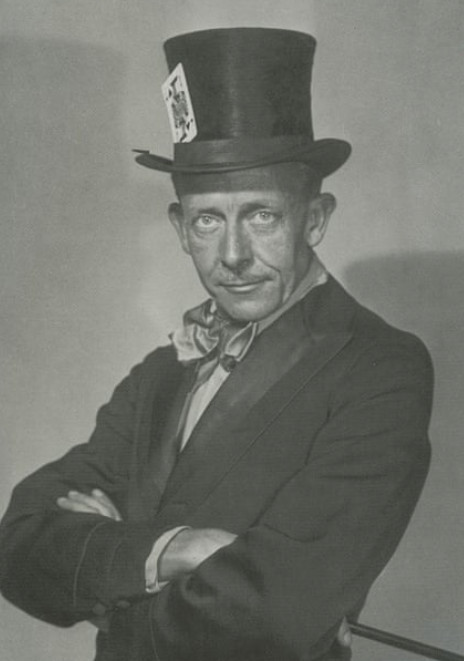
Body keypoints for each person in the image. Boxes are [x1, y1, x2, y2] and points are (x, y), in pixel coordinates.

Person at [0, 28, 433, 661]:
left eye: (262, 215)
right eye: (208, 219)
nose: (232, 255)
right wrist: (178, 549)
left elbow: (278, 612)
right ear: (181, 228)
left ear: (314, 219)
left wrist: (115, 574)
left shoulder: (379, 367)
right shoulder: (162, 370)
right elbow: (18, 542)